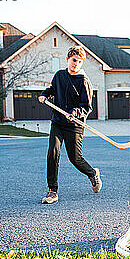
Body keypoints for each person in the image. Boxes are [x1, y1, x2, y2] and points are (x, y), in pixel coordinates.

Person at [38, 45, 102, 204]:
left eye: (80, 62)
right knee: (52, 153)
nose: (76, 64)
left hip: (75, 125)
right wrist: (45, 95)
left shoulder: (84, 81)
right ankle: (52, 191)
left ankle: (92, 173)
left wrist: (74, 113)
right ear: (68, 59)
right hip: (58, 122)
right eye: (74, 60)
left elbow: (87, 107)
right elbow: (52, 89)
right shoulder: (59, 75)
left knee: (75, 158)